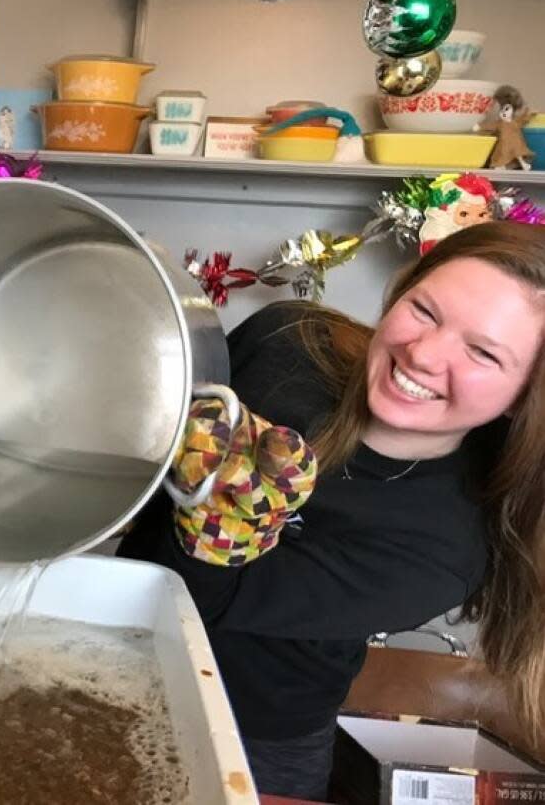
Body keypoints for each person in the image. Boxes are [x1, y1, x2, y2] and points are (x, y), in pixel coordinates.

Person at [120, 220, 545, 799]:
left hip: (256, 738)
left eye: (481, 352)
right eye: (424, 311)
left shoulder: (443, 547)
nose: (422, 355)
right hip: (119, 653)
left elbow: (207, 603)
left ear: (524, 397)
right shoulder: (288, 341)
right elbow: (138, 483)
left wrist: (219, 518)